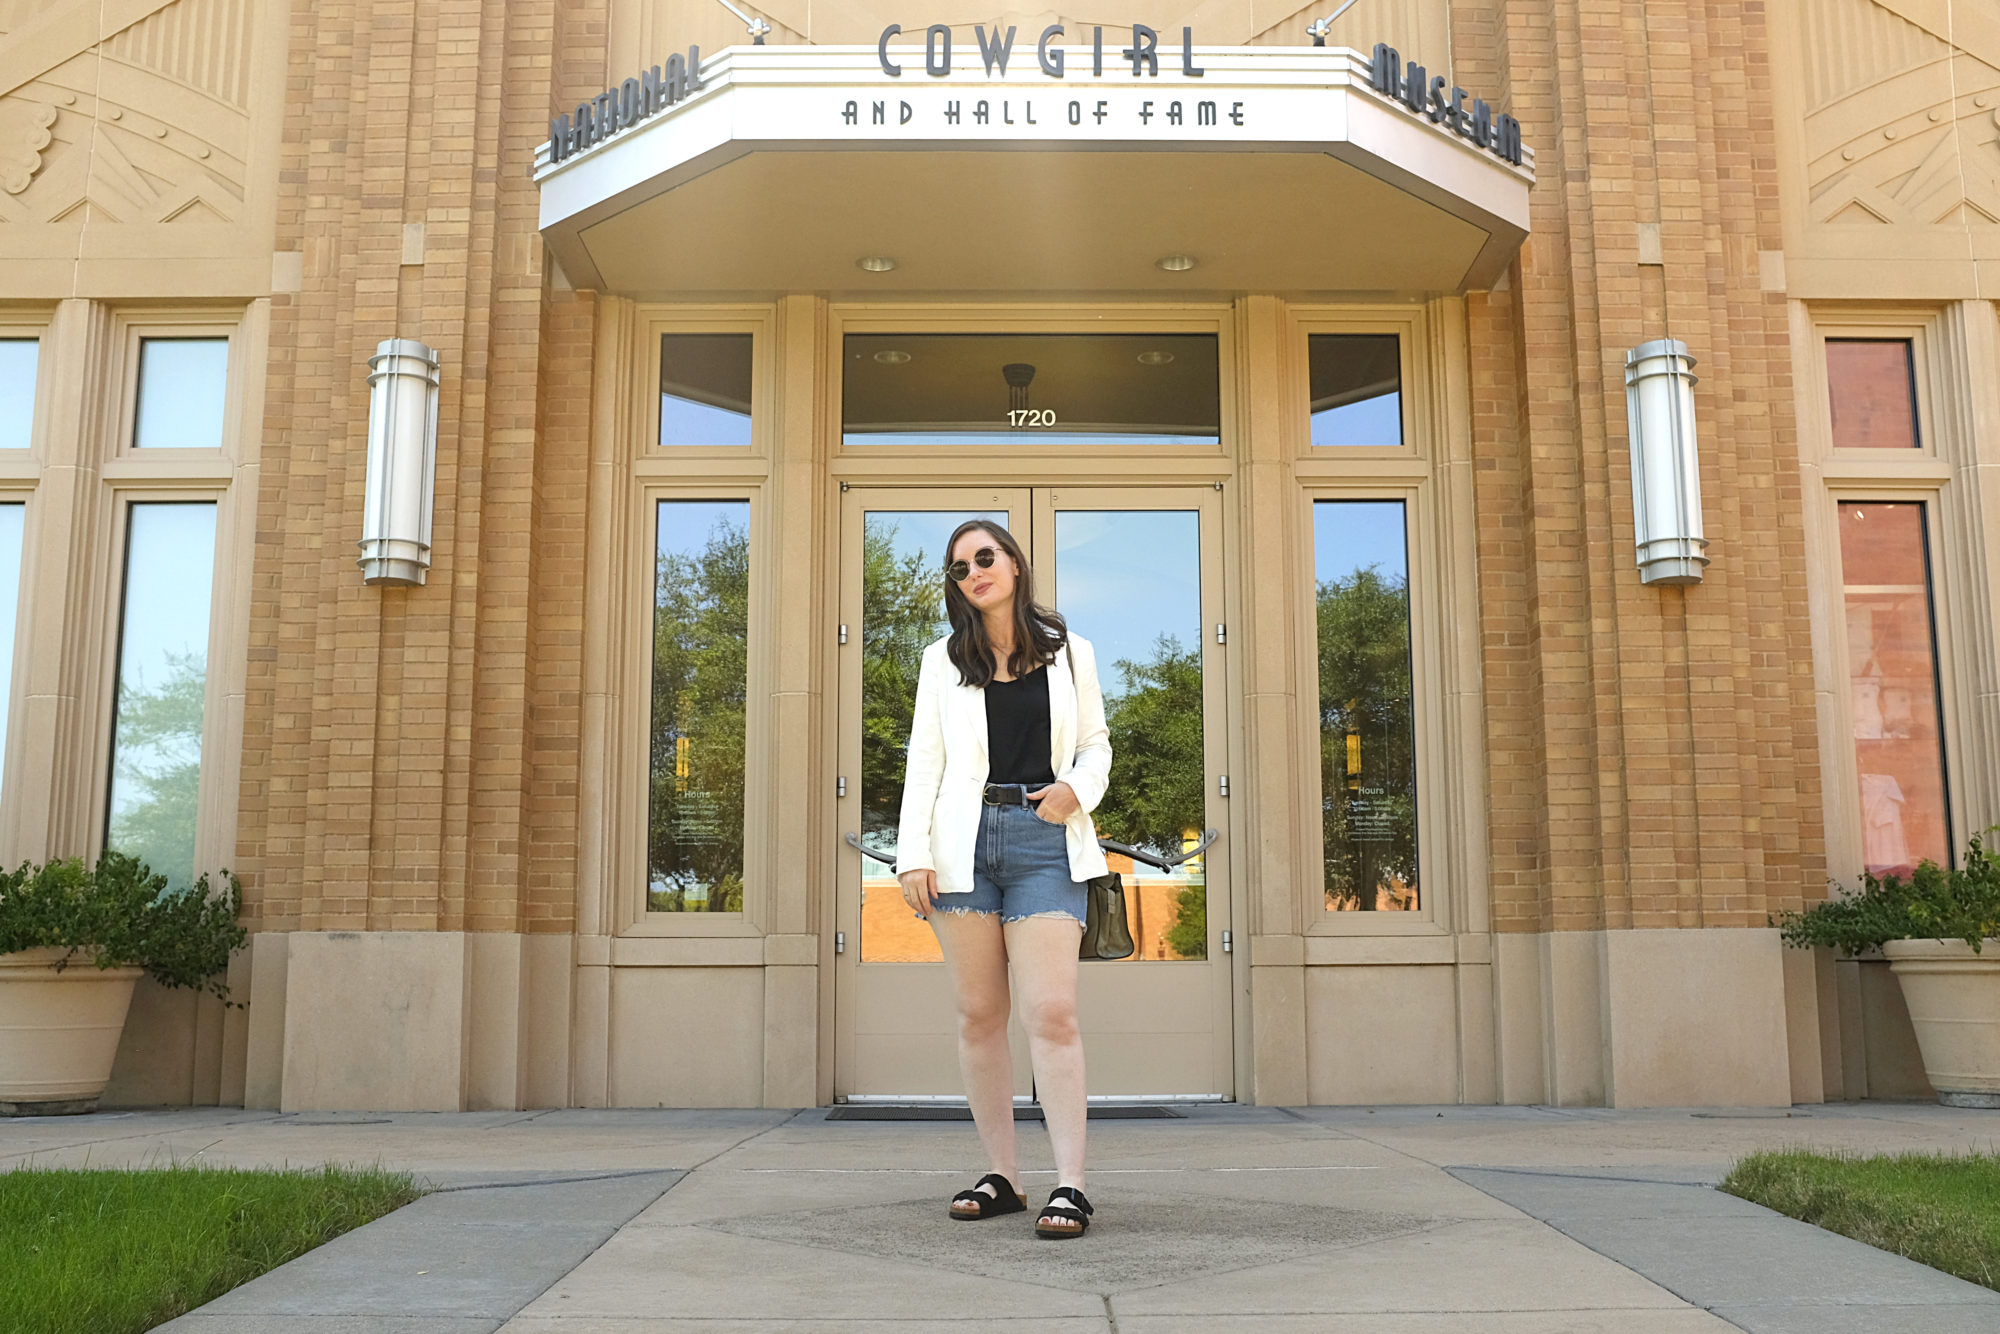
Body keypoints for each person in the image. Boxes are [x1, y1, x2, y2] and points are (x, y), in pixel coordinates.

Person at [895, 519, 1112, 1240]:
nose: (974, 573)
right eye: (959, 569)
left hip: (1045, 841)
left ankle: (1071, 1185)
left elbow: (1095, 745)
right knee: (980, 1015)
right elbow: (924, 761)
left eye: (984, 558)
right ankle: (1005, 1179)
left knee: (1051, 1012)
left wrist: (1075, 790)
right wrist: (911, 854)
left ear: (1014, 564)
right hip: (963, 848)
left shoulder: (1070, 652)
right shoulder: (943, 660)